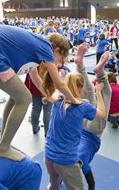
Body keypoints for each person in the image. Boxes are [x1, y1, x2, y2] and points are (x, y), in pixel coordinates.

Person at [0, 25, 80, 161]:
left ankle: (4, 142)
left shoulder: (35, 49)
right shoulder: (45, 47)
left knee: (16, 97)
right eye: (60, 59)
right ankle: (3, 148)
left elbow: (36, 80)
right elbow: (59, 83)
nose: (58, 63)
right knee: (24, 98)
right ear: (56, 50)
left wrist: (49, 96)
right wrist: (74, 100)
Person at [44, 51, 105, 190]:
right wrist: (98, 92)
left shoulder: (57, 98)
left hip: (48, 155)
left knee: (53, 184)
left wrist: (56, 69)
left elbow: (55, 86)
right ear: (79, 88)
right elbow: (101, 114)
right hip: (65, 161)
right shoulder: (83, 106)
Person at [74, 47, 111, 190]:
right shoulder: (64, 158)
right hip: (81, 127)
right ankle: (80, 65)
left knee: (104, 95)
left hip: (94, 132)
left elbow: (92, 183)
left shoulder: (80, 162)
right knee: (88, 95)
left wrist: (99, 92)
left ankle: (100, 74)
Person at [25, 65, 52, 136]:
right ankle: (47, 132)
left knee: (35, 108)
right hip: (48, 88)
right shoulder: (49, 61)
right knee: (48, 111)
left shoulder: (33, 62)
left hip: (34, 88)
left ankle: (34, 128)